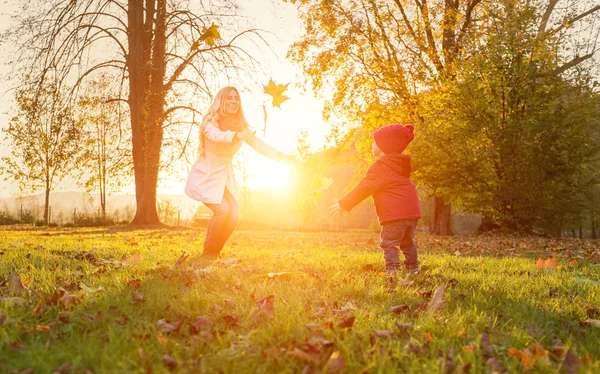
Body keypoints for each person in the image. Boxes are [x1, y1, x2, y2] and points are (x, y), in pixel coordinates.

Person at [185, 86, 296, 262]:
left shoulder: (240, 125)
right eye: (229, 98)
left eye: (236, 98)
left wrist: (281, 156)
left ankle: (215, 252)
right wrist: (237, 135)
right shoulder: (210, 122)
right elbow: (216, 136)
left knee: (234, 215)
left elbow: (258, 144)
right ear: (221, 100)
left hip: (224, 177)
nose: (233, 101)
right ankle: (208, 252)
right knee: (223, 210)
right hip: (205, 176)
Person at [329, 124, 421, 274]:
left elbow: (363, 188)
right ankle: (413, 269)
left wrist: (343, 204)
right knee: (407, 243)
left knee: (389, 243)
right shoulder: (400, 165)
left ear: (383, 146)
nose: (372, 144)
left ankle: (392, 272)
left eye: (375, 141)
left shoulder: (381, 166)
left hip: (395, 215)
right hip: (412, 213)